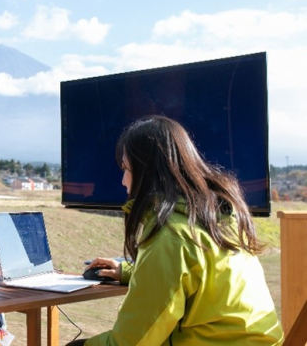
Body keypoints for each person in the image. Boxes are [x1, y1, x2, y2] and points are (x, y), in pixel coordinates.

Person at [67, 116, 283, 345]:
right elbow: (200, 273)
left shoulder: (171, 236)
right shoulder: (218, 217)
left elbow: (134, 341)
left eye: (127, 169)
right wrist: (130, 271)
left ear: (147, 174)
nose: (123, 181)